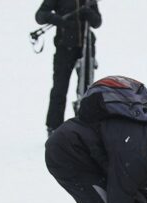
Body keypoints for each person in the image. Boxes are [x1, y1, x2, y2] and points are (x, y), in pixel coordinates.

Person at [35, 0, 102, 136]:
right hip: (64, 48)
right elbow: (40, 15)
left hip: (86, 49)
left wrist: (88, 12)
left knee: (86, 90)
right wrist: (58, 20)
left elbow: (97, 22)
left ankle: (84, 127)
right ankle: (54, 127)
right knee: (59, 89)